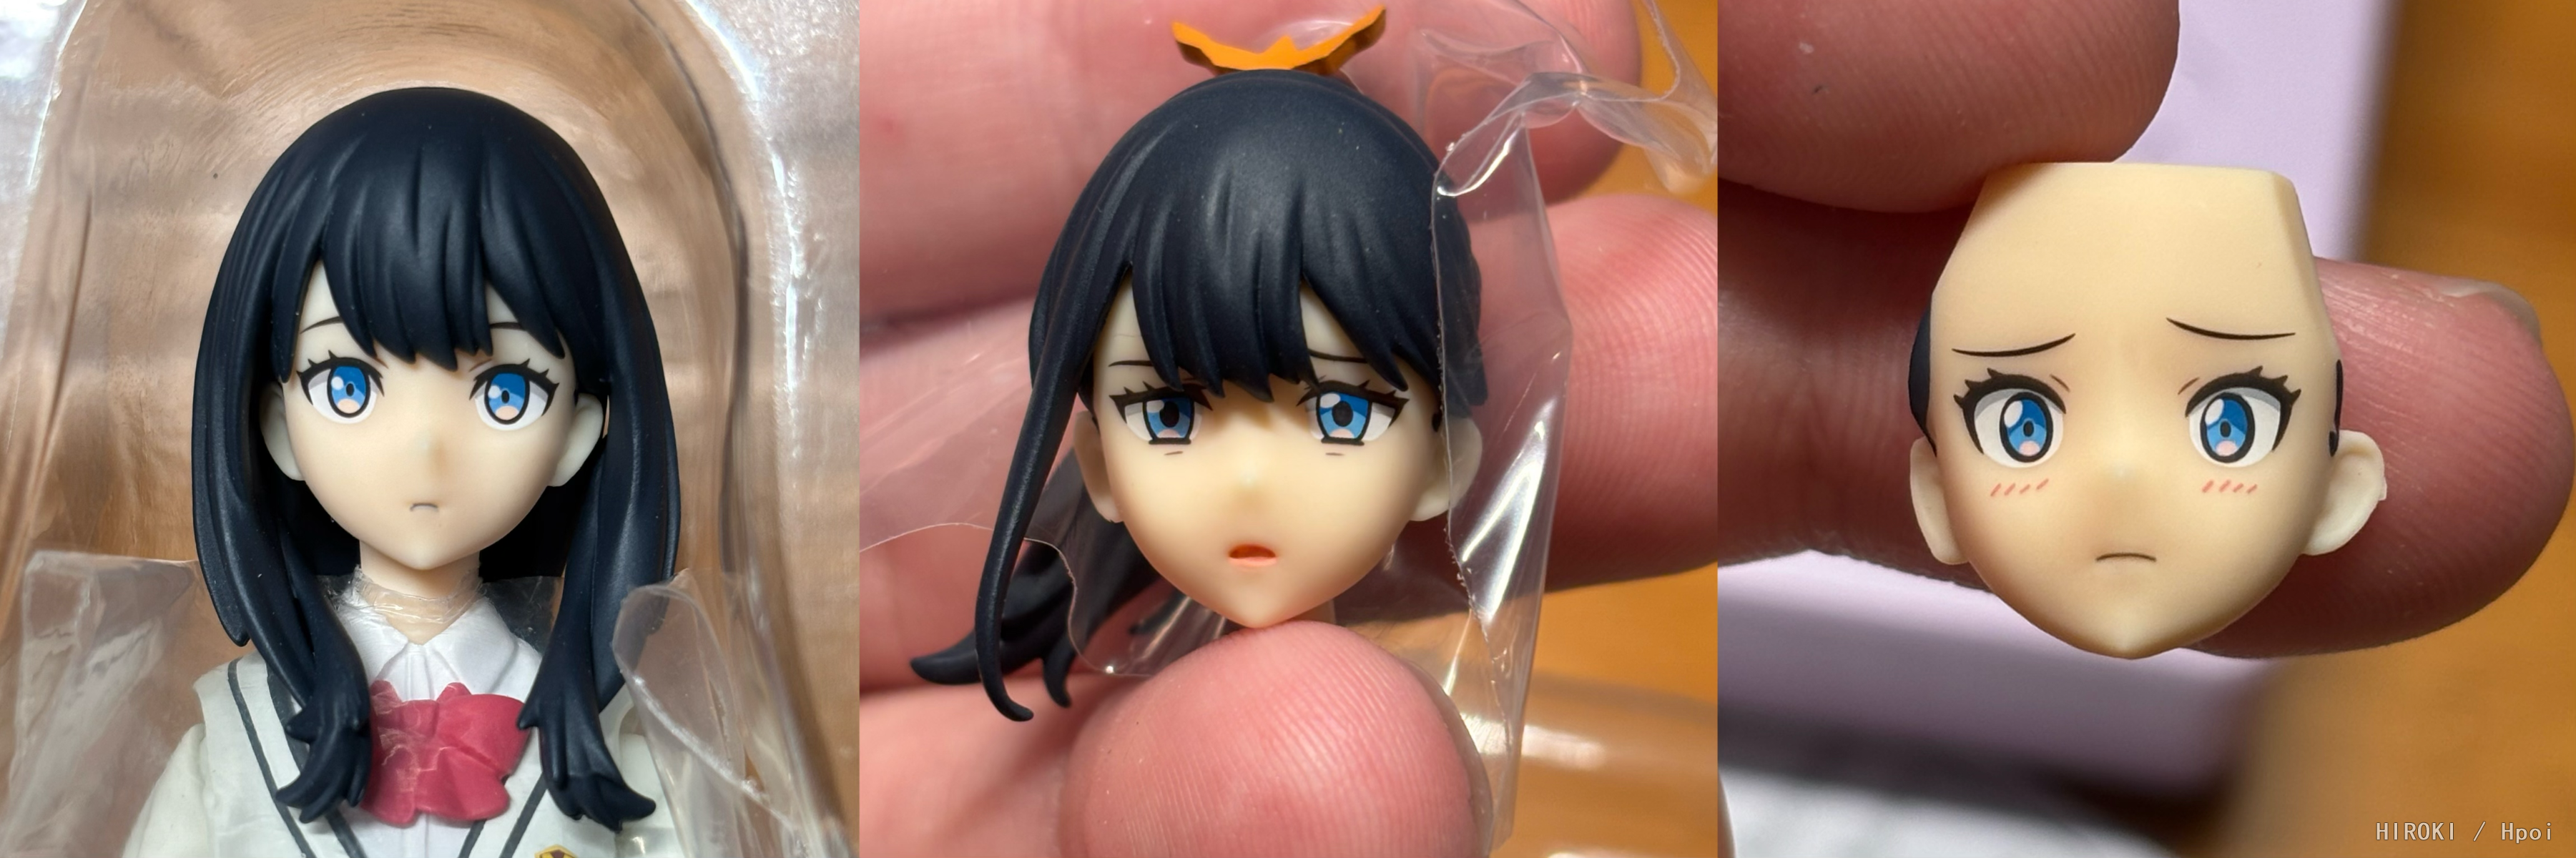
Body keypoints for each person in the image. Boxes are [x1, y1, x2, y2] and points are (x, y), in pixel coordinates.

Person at [132, 87, 684, 858]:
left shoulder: (613, 747)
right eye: (347, 385)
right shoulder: (232, 738)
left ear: (578, 434)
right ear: (277, 428)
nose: (426, 450)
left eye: (507, 391)